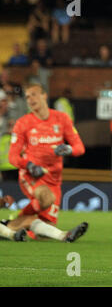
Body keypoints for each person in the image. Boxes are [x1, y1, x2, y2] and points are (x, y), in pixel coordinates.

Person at [2, 84, 88, 242]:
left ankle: (7, 227)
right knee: (46, 198)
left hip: (54, 178)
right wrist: (29, 165)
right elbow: (13, 157)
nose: (30, 99)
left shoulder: (62, 119)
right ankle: (11, 229)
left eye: (33, 94)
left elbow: (80, 148)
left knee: (43, 231)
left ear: (44, 95)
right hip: (31, 175)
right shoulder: (23, 123)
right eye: (27, 96)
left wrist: (68, 149)